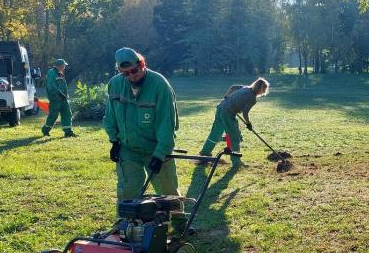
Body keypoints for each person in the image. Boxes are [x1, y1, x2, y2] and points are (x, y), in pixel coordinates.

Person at [104, 47, 180, 202]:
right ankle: (126, 224)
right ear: (120, 71)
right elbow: (110, 115)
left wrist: (160, 155)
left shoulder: (160, 86)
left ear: (142, 64)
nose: (132, 76)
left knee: (169, 193)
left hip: (155, 148)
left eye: (134, 70)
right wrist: (114, 141)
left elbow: (167, 124)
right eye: (125, 73)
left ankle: (178, 225)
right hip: (128, 148)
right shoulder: (115, 84)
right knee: (127, 192)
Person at [198, 78, 270, 167]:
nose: (263, 92)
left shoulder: (245, 87)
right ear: (260, 89)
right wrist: (248, 124)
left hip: (221, 107)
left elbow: (233, 87)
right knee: (235, 137)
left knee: (215, 133)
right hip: (227, 113)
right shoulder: (252, 98)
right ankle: (236, 162)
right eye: (264, 89)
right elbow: (245, 113)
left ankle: (204, 153)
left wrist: (226, 96)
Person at [41, 59, 77, 137]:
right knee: (53, 115)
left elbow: (63, 86)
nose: (64, 67)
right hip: (55, 99)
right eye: (64, 65)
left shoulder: (60, 73)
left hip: (63, 98)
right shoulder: (51, 73)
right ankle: (45, 129)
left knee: (67, 114)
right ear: (60, 66)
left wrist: (65, 95)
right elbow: (52, 86)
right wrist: (60, 94)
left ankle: (68, 132)